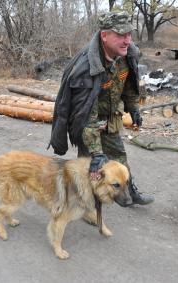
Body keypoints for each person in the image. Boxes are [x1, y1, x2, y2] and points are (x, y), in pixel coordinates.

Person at [49, 11, 154, 206]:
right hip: (86, 121)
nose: (127, 40)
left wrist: (134, 108)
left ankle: (128, 192)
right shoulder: (85, 67)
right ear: (104, 35)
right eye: (121, 35)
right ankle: (83, 201)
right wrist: (97, 153)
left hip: (110, 117)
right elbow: (86, 115)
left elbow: (129, 85)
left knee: (119, 157)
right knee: (90, 164)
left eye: (129, 34)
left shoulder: (127, 54)